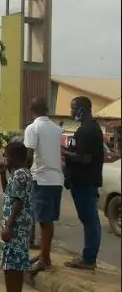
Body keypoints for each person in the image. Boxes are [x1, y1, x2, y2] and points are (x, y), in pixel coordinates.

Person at [61, 96, 104, 271]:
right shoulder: (89, 129)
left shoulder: (87, 131)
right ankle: (88, 256)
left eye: (73, 109)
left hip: (84, 182)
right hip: (85, 181)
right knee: (89, 219)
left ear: (81, 109)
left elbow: (84, 158)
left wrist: (63, 152)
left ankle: (88, 259)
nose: (71, 112)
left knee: (90, 220)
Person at [23, 97, 63, 273]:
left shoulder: (33, 128)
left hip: (41, 178)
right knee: (48, 220)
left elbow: (30, 156)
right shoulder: (56, 128)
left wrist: (21, 172)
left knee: (44, 221)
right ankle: (44, 254)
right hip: (56, 179)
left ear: (31, 110)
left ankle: (44, 259)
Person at [0, 140, 34, 292]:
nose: (5, 158)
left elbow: (17, 202)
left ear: (14, 157)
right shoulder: (20, 173)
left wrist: (8, 226)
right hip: (20, 227)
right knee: (14, 266)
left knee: (11, 268)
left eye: (7, 155)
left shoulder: (20, 175)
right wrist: (3, 173)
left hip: (16, 227)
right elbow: (9, 193)